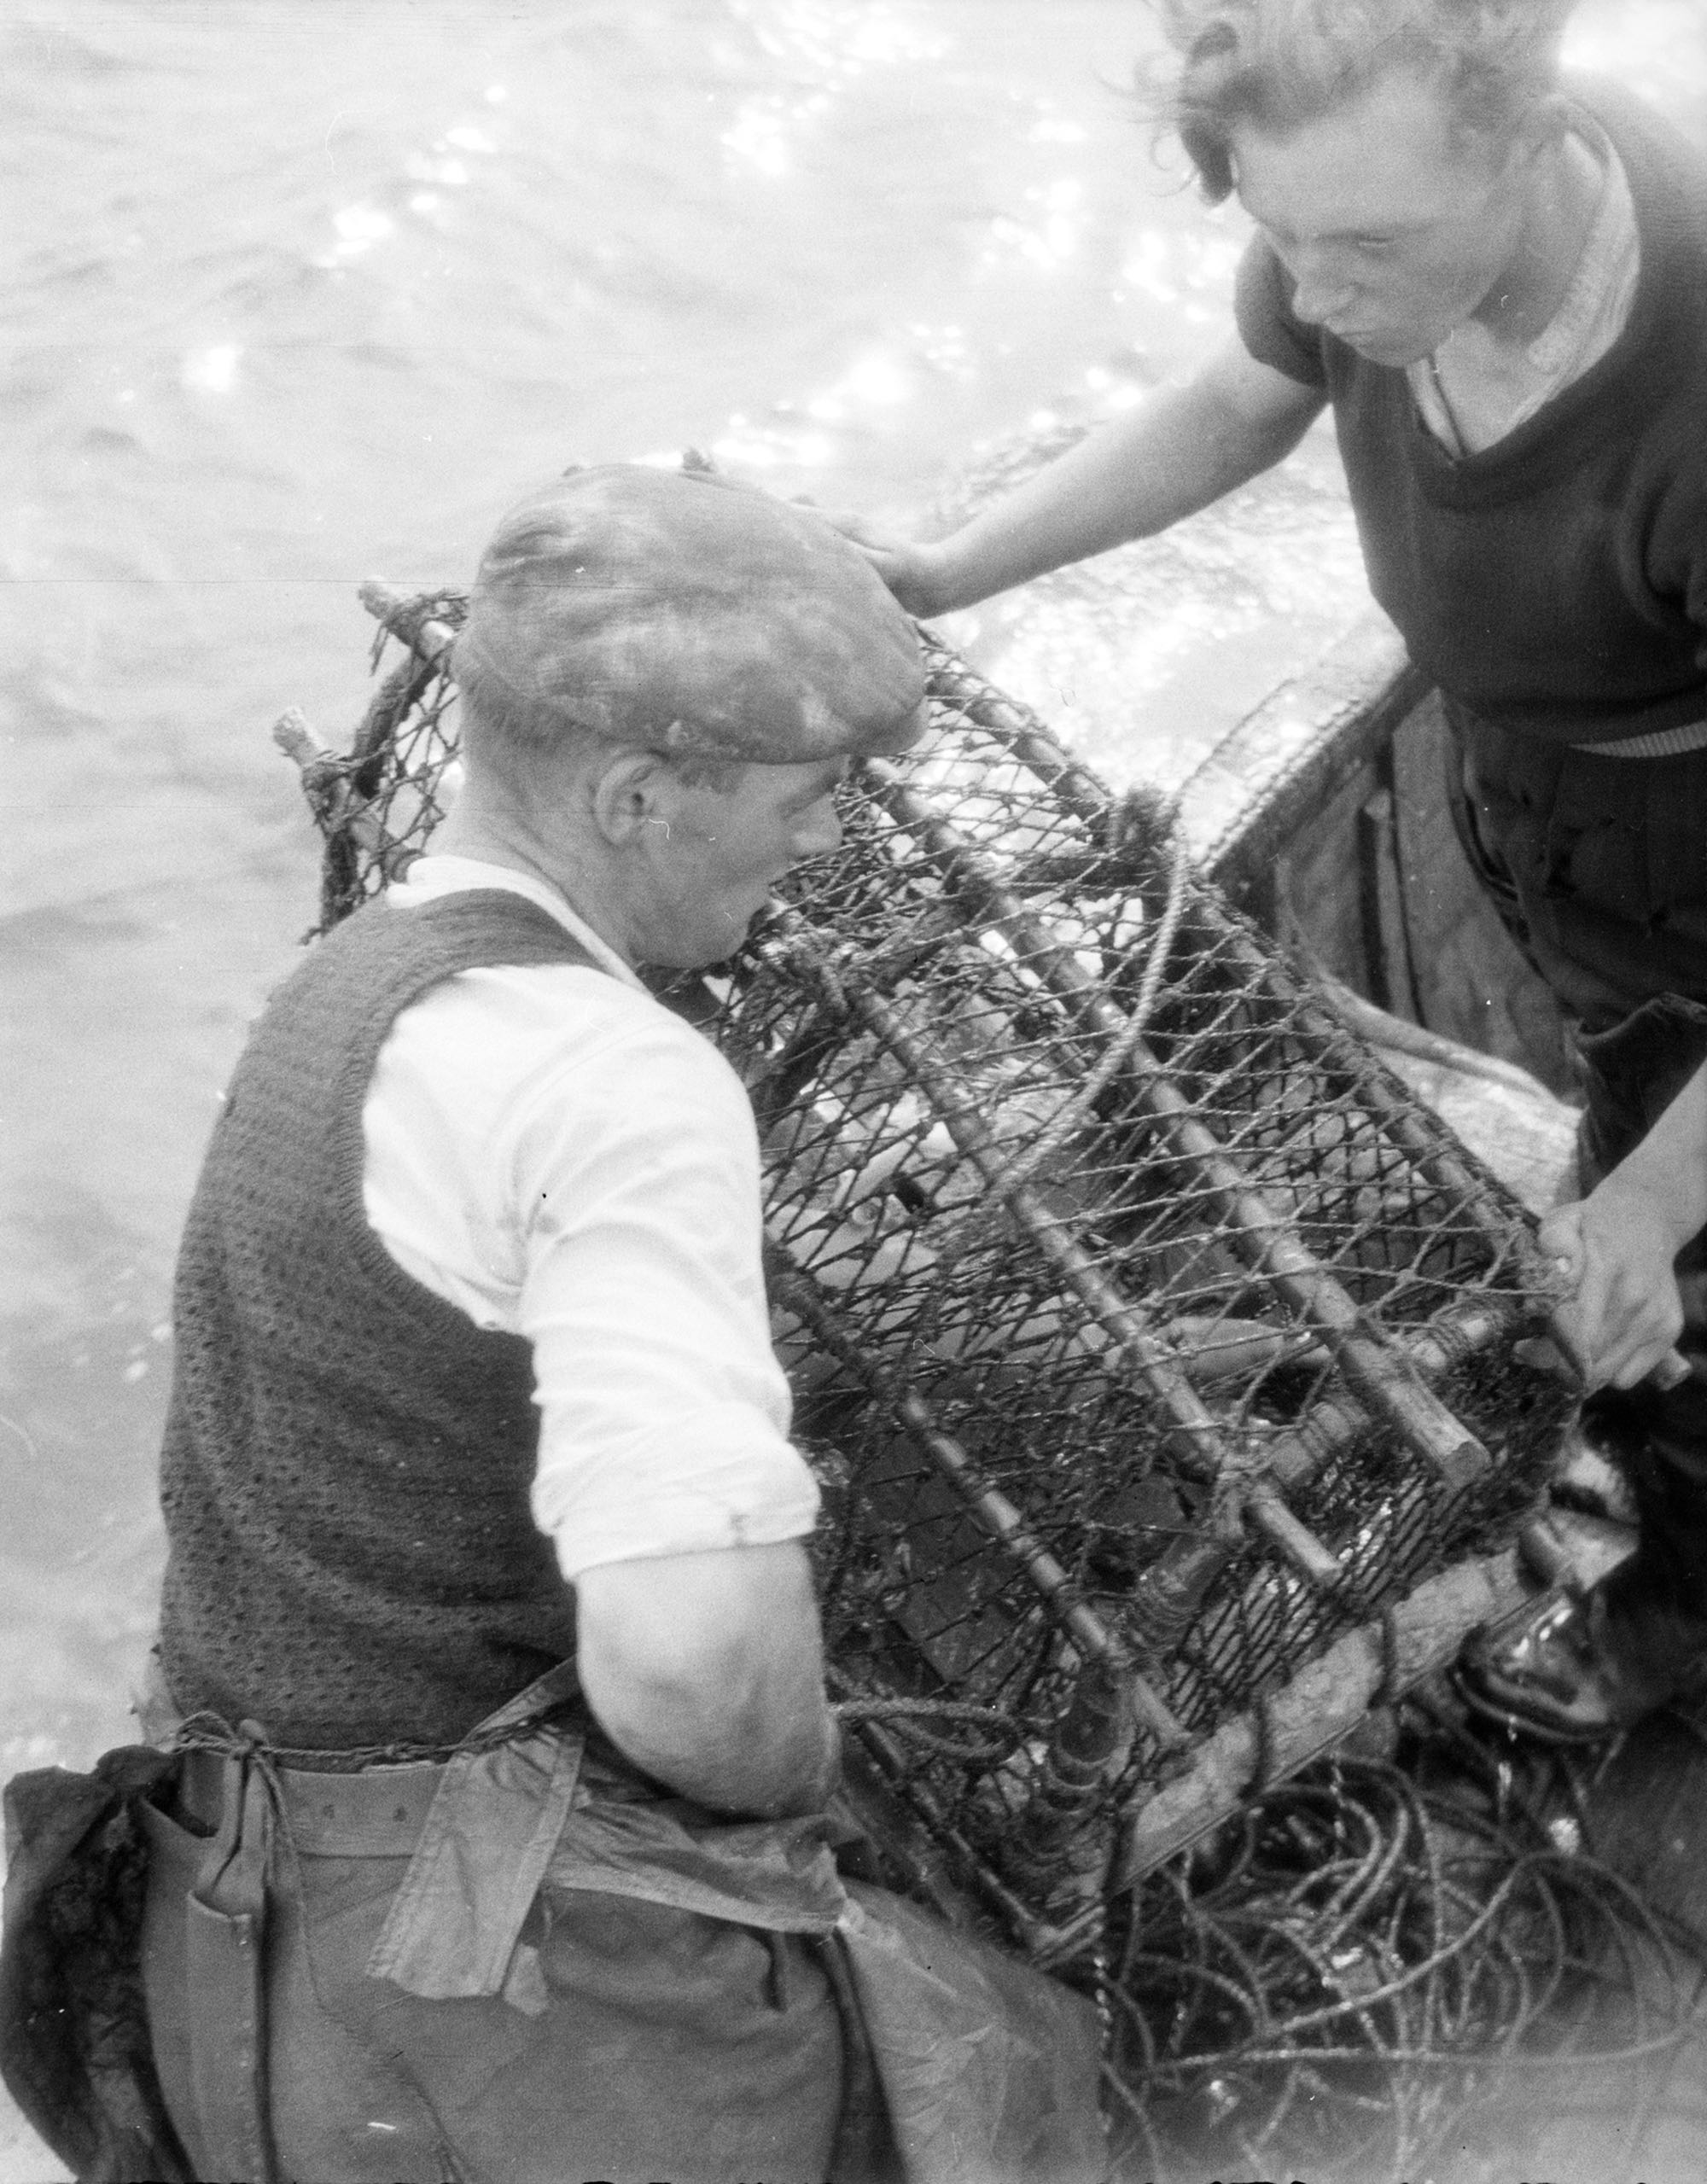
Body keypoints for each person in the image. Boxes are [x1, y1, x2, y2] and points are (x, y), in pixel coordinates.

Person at [127, 463, 1104, 2184]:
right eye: (810, 794)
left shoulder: (348, 987)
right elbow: (693, 1666)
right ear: (643, 792)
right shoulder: (615, 1074)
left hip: (216, 1952)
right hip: (487, 2005)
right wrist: (807, 1783)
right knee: (1009, 2075)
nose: (829, 839)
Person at [829, 0, 1707, 1739]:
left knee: (1665, 1257)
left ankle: (1677, 1609)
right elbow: (1242, 395)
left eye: (1364, 247)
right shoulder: (1357, 245)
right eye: (1272, 228)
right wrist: (941, 568)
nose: (1313, 293)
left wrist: (1657, 1200)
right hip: (1531, 795)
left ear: (1525, 144)